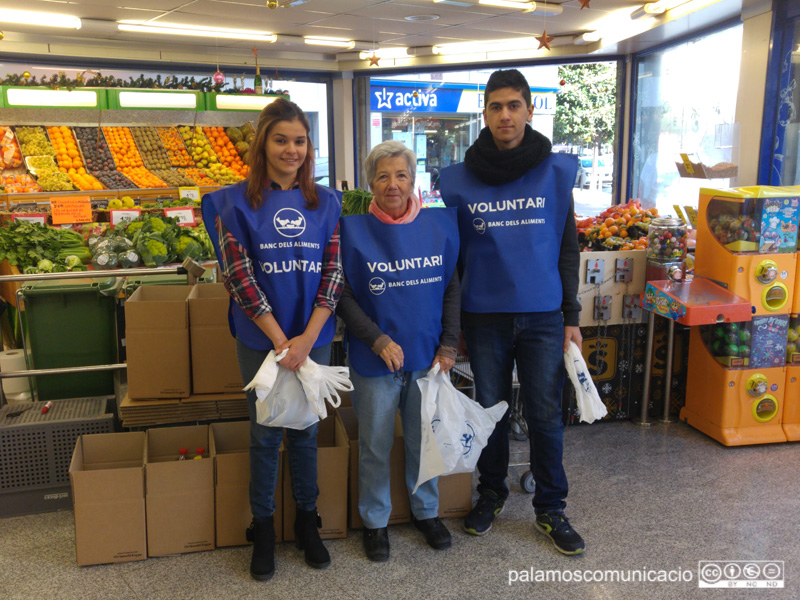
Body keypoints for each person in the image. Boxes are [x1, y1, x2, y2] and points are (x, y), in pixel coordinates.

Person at [439, 69, 585, 555]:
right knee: (491, 411)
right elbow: (455, 261)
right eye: (495, 106)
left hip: (544, 316)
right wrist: (453, 325)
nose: (505, 114)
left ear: (528, 109)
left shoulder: (556, 171)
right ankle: (492, 493)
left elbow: (568, 250)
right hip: (485, 319)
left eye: (514, 105)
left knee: (545, 413)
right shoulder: (458, 180)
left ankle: (551, 507)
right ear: (484, 113)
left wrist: (572, 316)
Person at [202, 98, 343, 580]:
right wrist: (283, 341)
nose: (291, 150)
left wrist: (307, 337)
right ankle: (262, 526)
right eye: (280, 139)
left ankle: (308, 521)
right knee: (264, 434)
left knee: (306, 430)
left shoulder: (325, 203)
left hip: (313, 335)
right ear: (262, 143)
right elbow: (238, 277)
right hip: (260, 335)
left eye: (300, 141)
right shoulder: (233, 203)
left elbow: (334, 272)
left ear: (309, 146)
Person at [337, 140, 461, 562]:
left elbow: (451, 289)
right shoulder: (351, 233)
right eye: (384, 175)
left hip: (427, 357)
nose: (393, 184)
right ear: (371, 181)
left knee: (423, 439)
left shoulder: (437, 229)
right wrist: (377, 339)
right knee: (373, 444)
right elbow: (344, 296)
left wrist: (449, 344)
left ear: (413, 181)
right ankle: (375, 521)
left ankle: (426, 511)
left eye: (402, 175)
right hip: (375, 360)